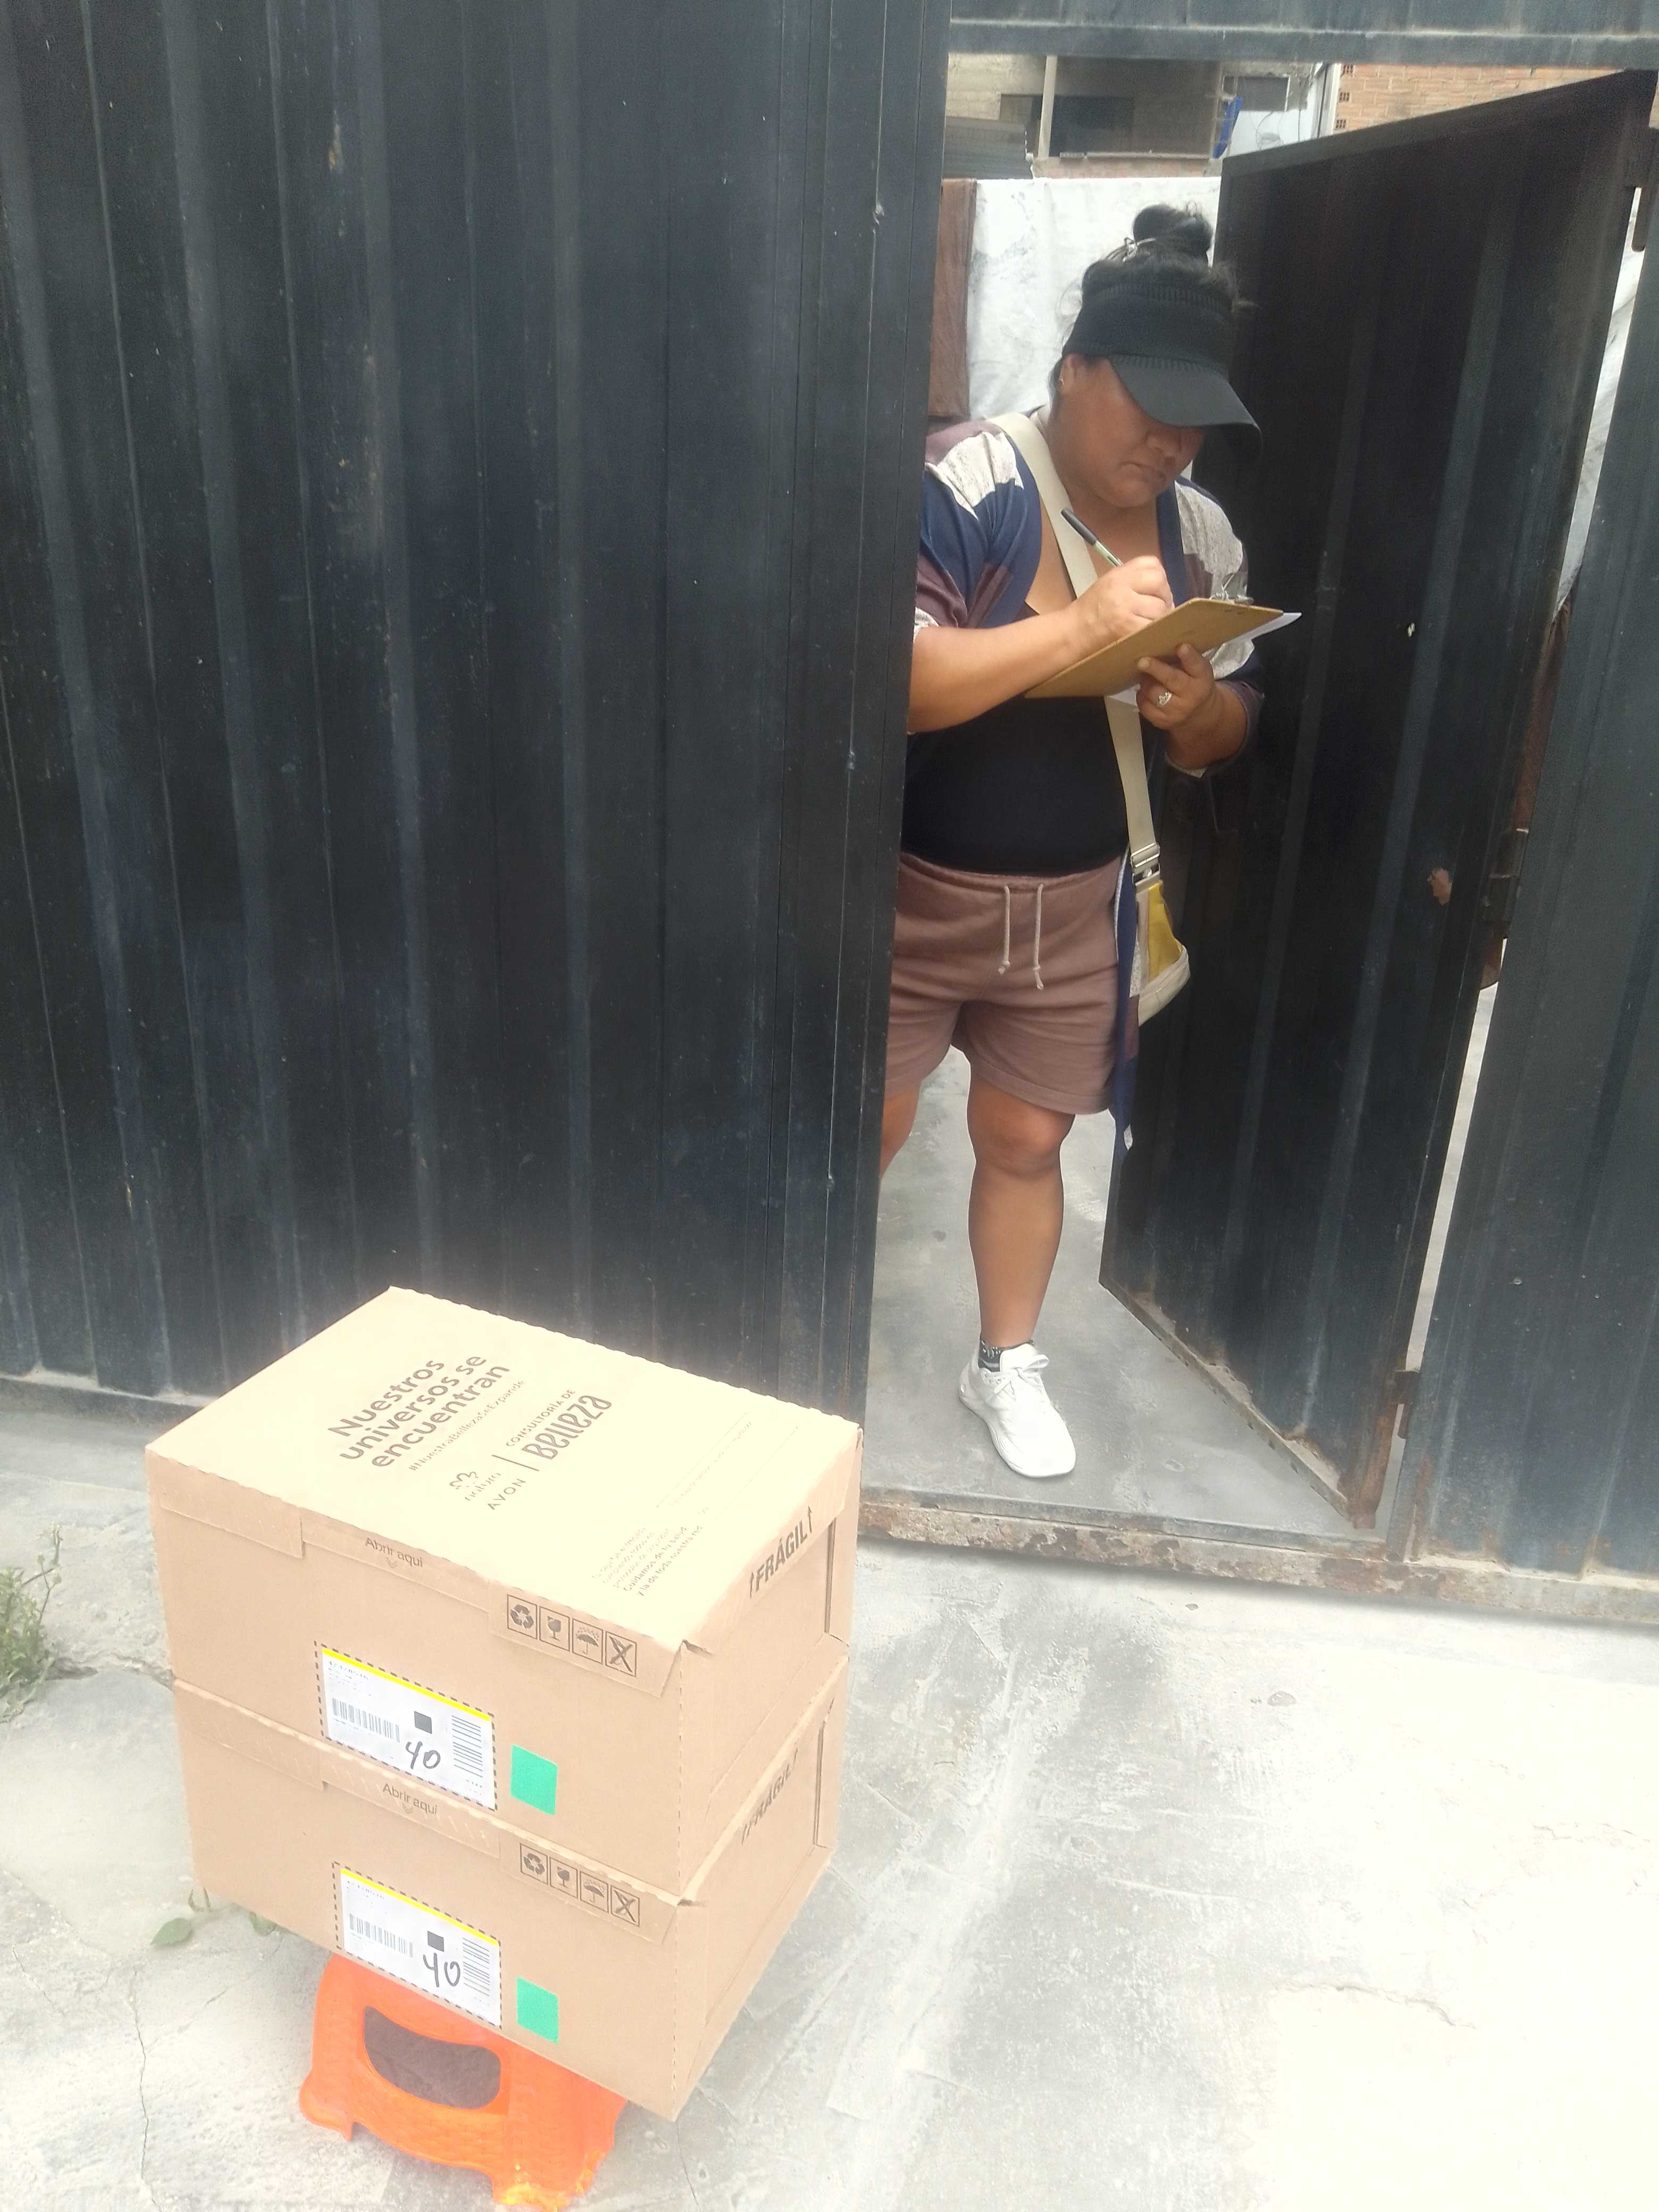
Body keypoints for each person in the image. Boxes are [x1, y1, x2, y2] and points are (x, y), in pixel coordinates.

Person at [884, 205, 1264, 1480]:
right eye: (1148, 404)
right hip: (911, 892)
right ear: (1074, 368)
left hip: (1077, 901)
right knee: (862, 1125)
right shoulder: (970, 483)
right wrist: (1083, 629)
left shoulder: (1201, 534)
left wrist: (1197, 710)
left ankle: (1004, 1360)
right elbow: (900, 681)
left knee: (1029, 1140)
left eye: (1195, 419)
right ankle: (793, 1340)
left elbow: (1229, 735)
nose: (1171, 441)